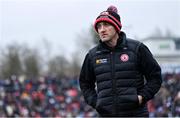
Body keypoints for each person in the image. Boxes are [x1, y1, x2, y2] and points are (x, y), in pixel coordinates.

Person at [79, 5, 162, 117]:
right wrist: (96, 103)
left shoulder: (137, 48)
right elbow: (85, 84)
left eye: (106, 25)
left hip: (136, 114)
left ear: (116, 27)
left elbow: (155, 77)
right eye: (99, 26)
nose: (102, 30)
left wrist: (141, 97)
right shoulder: (92, 55)